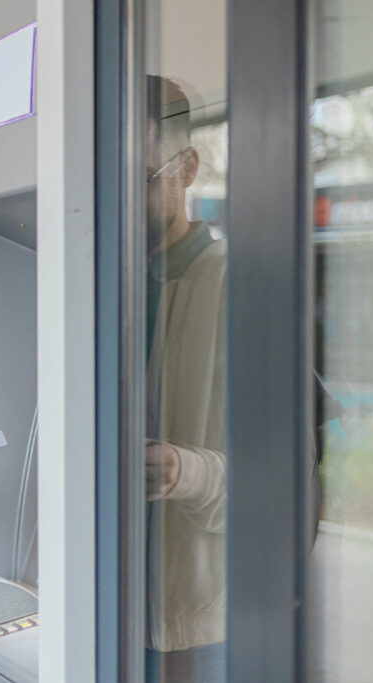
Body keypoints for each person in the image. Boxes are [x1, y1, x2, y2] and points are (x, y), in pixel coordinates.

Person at [142, 76, 227, 683]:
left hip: (192, 634)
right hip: (95, 606)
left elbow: (297, 491)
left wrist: (184, 471)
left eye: (142, 179)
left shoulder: (243, 288)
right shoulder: (98, 290)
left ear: (188, 167)